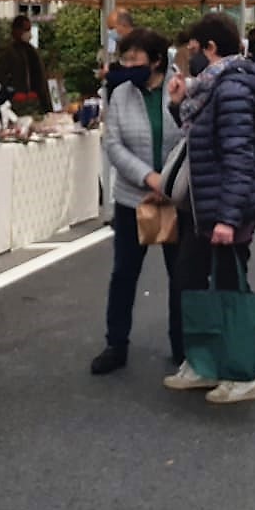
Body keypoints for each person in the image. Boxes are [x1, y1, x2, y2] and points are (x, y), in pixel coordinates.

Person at [162, 13, 255, 404]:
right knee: (191, 282)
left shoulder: (231, 89)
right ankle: (203, 362)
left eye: (192, 50)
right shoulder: (212, 87)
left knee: (228, 287)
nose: (187, 59)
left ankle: (242, 373)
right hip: (205, 203)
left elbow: (238, 155)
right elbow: (200, 139)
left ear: (210, 49)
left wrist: (228, 218)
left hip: (227, 206)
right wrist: (180, 104)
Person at [92, 28, 182, 375]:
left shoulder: (179, 87)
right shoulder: (121, 93)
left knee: (181, 275)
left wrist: (168, 181)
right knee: (124, 273)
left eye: (134, 59)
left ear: (157, 60)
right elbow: (113, 144)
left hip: (177, 199)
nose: (127, 65)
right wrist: (149, 178)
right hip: (133, 197)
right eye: (124, 58)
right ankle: (116, 343)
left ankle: (182, 344)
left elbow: (190, 137)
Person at [0, 12, 52, 110]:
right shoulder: (8, 53)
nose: (29, 33)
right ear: (16, 30)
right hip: (16, 103)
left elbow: (40, 78)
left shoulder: (31, 50)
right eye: (26, 30)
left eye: (29, 30)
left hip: (35, 102)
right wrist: (11, 92)